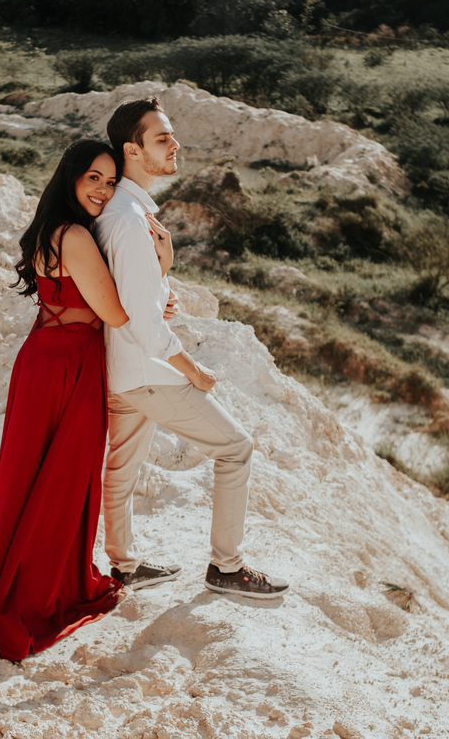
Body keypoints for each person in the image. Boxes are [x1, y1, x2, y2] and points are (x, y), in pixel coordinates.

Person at [0, 139, 173, 660]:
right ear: (71, 178)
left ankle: (4, 580)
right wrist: (160, 269)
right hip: (67, 366)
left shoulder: (51, 228)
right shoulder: (76, 235)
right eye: (92, 178)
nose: (102, 189)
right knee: (61, 478)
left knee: (28, 476)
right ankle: (33, 592)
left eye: (110, 181)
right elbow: (117, 313)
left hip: (45, 359)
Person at [94, 96, 289, 599]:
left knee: (121, 466)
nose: (175, 144)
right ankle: (227, 567)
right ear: (132, 150)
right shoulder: (129, 221)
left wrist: (162, 275)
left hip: (121, 368)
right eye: (162, 138)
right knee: (236, 447)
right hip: (147, 370)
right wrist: (192, 369)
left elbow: (130, 298)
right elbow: (142, 321)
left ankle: (124, 565)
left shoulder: (122, 212)